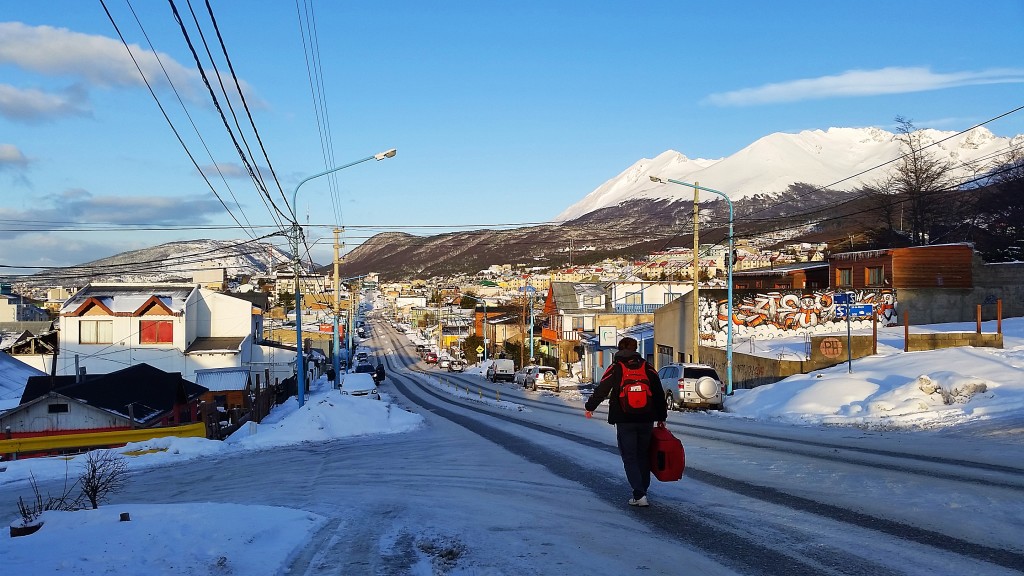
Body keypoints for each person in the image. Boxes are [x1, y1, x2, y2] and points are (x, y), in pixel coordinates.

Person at [584, 337, 667, 507]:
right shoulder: (647, 367)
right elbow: (658, 393)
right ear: (636, 349)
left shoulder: (615, 368)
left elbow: (602, 389)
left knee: (629, 457)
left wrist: (590, 406)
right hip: (646, 418)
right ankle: (643, 489)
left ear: (619, 349)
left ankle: (639, 493)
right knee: (643, 455)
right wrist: (661, 417)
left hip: (624, 418)